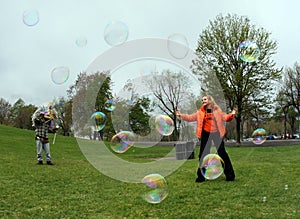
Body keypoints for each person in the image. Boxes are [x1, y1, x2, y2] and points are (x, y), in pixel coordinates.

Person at [176, 95, 237, 182]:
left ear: (210, 100)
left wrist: (232, 114)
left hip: (217, 133)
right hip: (205, 134)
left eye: (204, 99)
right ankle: (201, 177)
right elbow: (190, 117)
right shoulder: (200, 112)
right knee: (203, 155)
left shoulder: (217, 110)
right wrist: (180, 115)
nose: (203, 101)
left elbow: (225, 117)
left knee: (222, 153)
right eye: (202, 100)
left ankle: (230, 176)